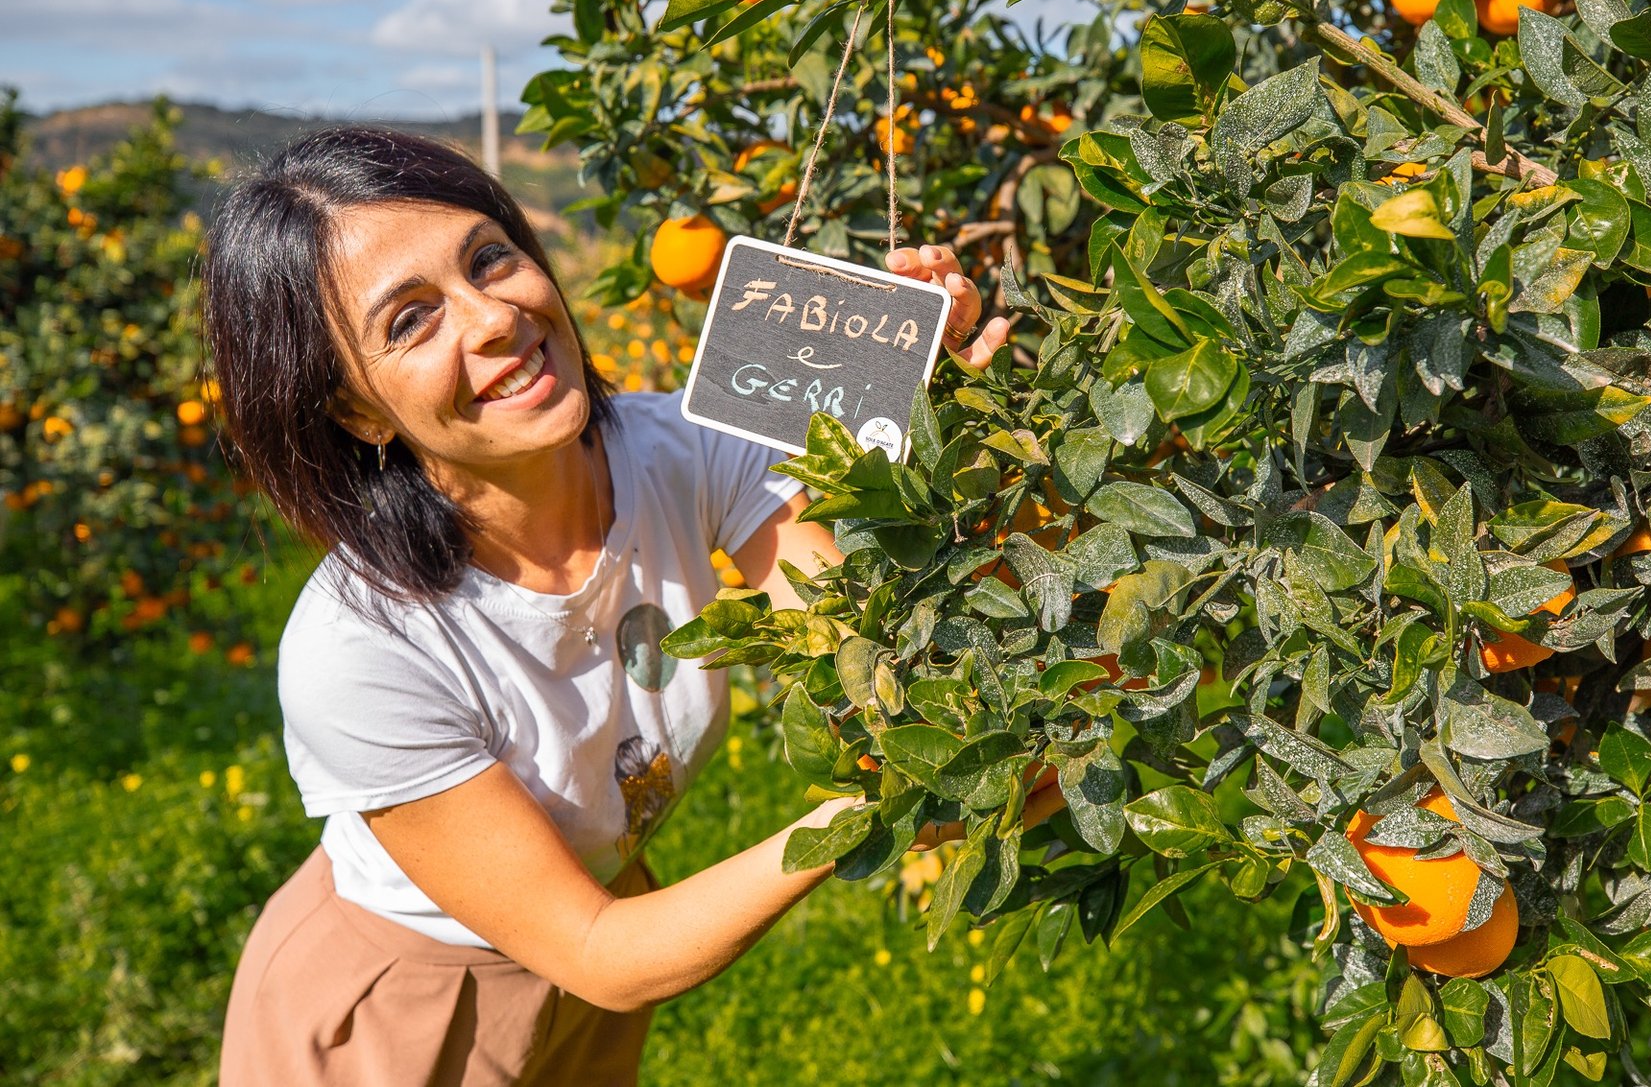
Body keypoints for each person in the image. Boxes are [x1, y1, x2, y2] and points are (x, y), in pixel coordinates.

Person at [204, 127, 1049, 1085]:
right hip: (402, 1002)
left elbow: (875, 658)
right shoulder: (361, 649)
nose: (492, 317)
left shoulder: (697, 450)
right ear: (354, 413)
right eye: (410, 321)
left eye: (491, 258)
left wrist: (947, 436)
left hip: (613, 941)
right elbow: (601, 951)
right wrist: (868, 816)